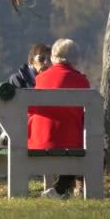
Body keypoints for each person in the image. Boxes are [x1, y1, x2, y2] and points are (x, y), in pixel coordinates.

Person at [29, 38, 90, 198]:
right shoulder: (81, 81)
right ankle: (60, 191)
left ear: (54, 57)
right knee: (88, 149)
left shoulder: (41, 79)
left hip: (40, 143)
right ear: (75, 59)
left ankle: (60, 191)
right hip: (71, 145)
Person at [0, 44, 52, 146]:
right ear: (31, 61)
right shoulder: (17, 80)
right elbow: (13, 113)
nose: (46, 63)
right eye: (41, 59)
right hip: (22, 133)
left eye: (50, 59)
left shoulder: (51, 81)